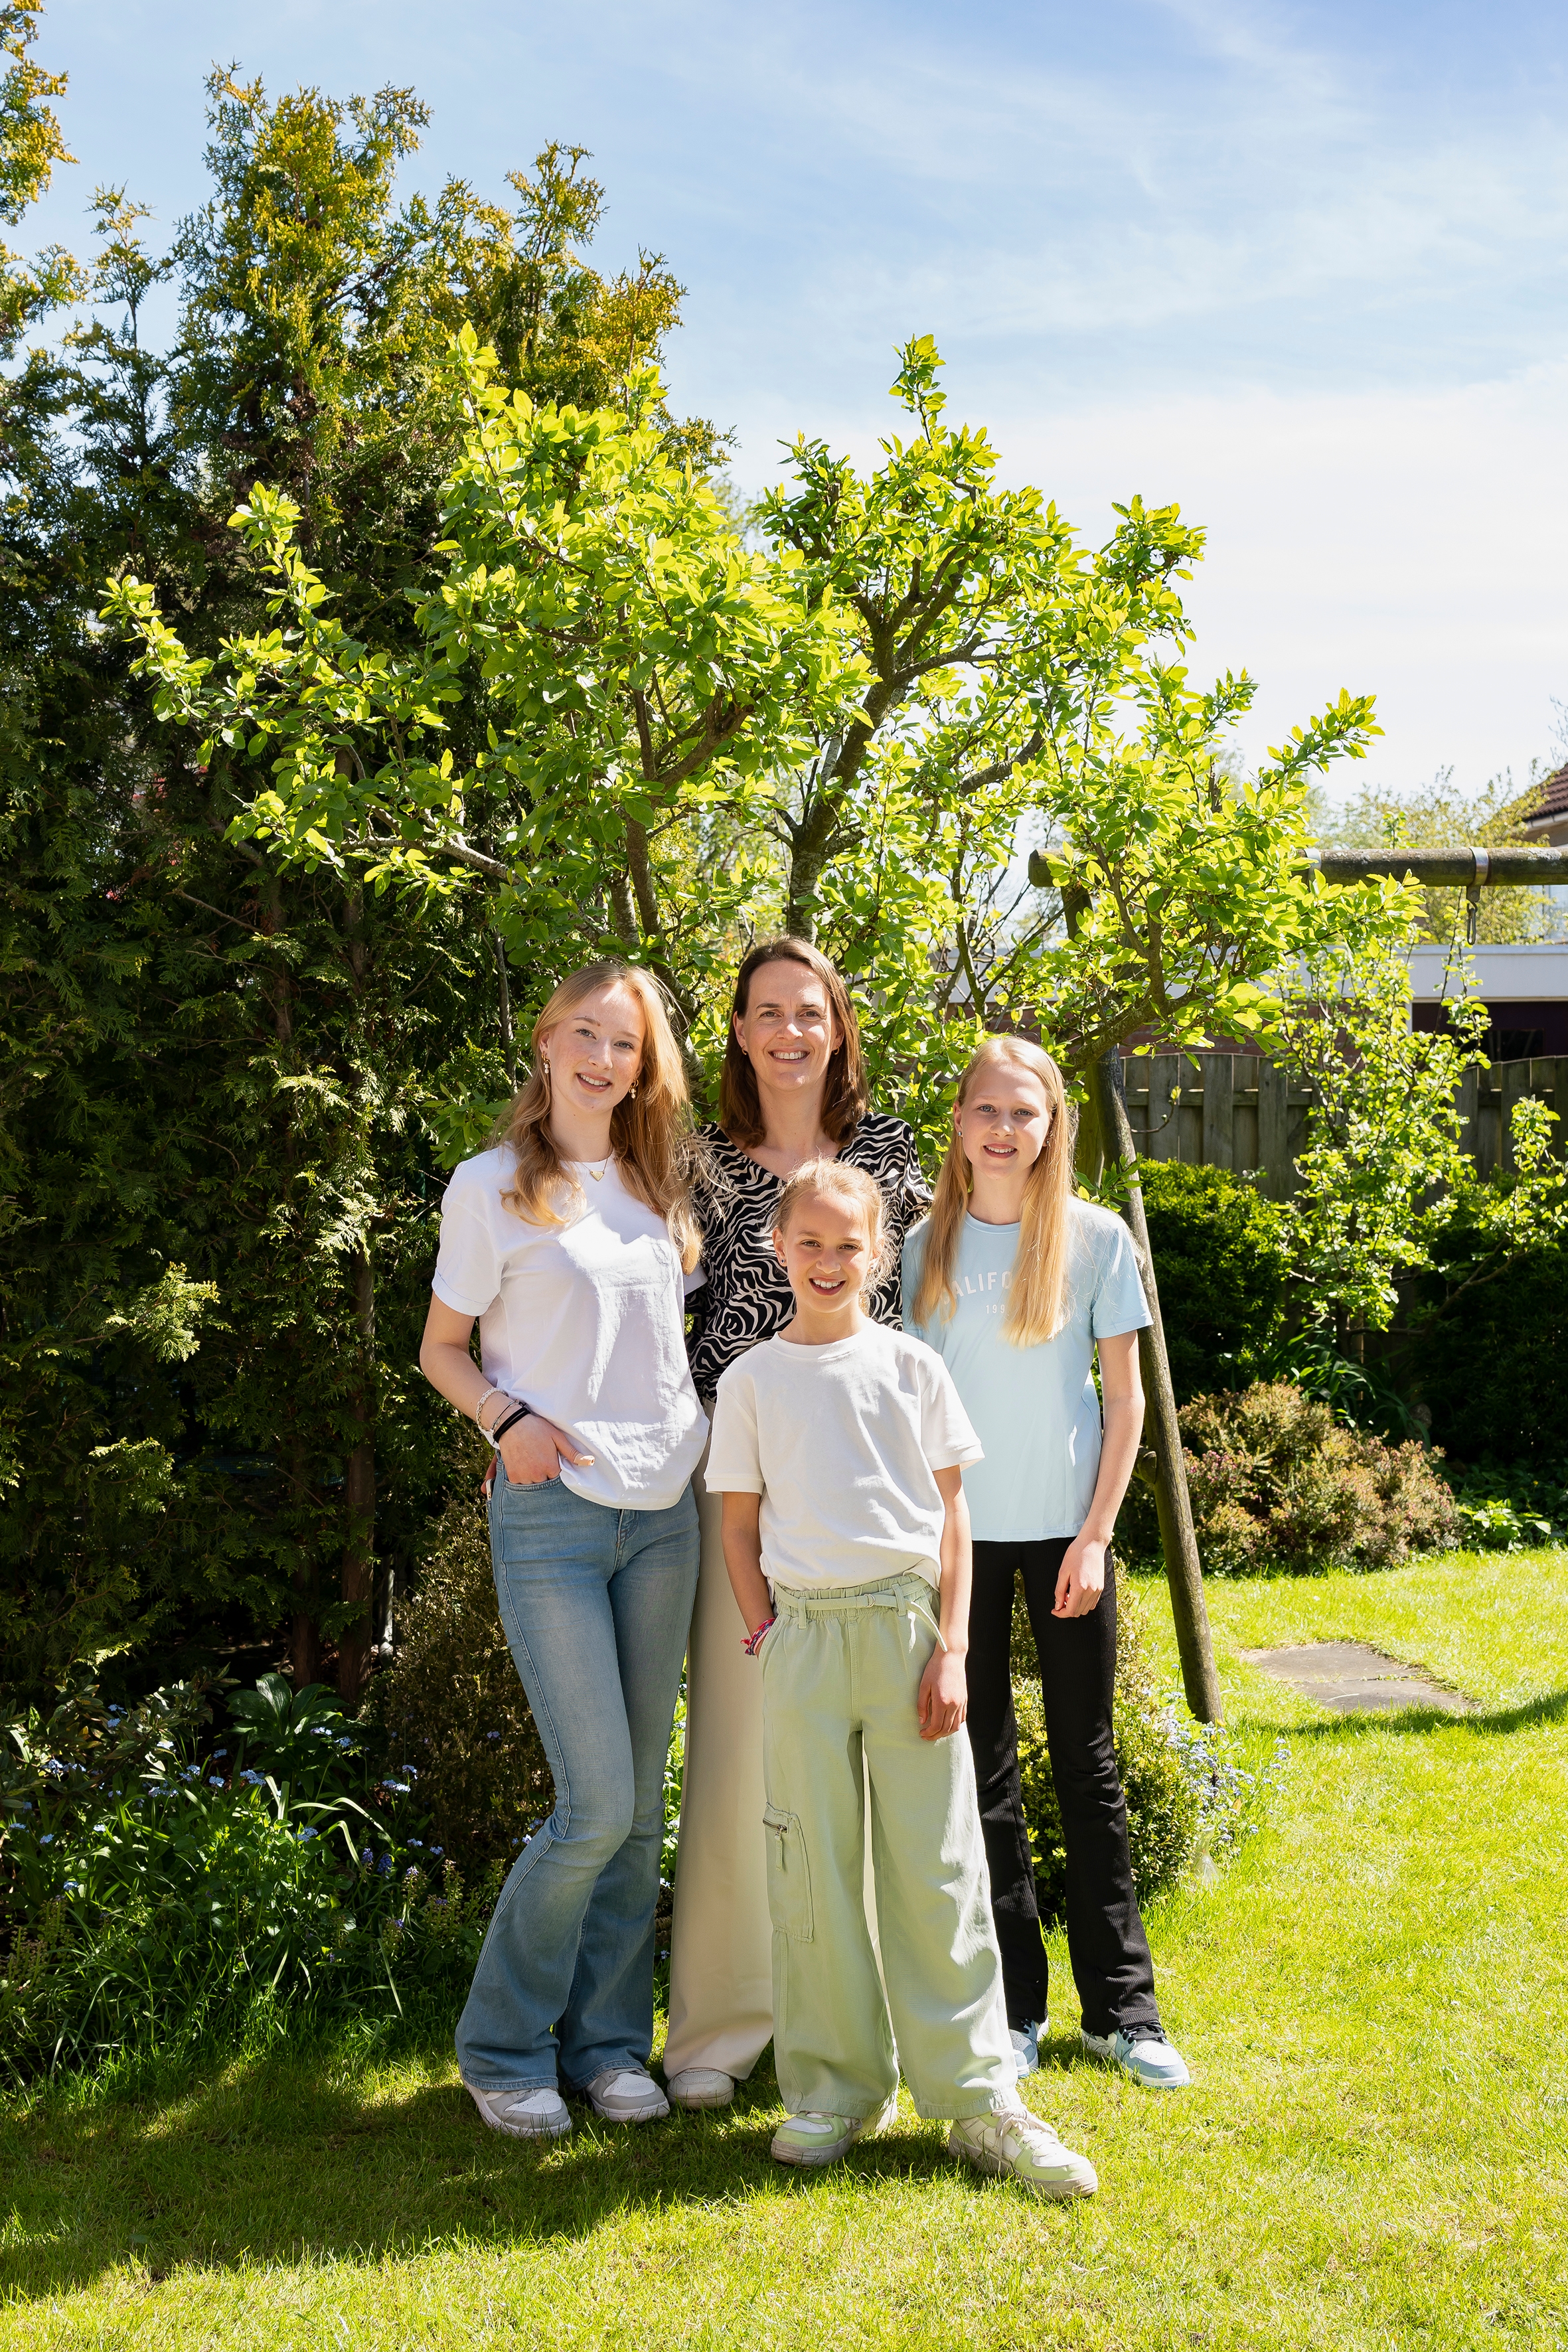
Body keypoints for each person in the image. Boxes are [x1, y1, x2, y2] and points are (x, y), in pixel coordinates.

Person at [704, 1157, 1099, 2195]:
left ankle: (978, 2098)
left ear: (880, 1256)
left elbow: (954, 1519)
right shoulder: (749, 1382)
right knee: (812, 1872)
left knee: (936, 1869)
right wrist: (764, 1637)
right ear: (775, 1248)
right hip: (802, 1643)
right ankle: (833, 2087)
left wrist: (954, 1647)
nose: (829, 1261)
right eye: (810, 1243)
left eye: (849, 1245)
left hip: (906, 1635)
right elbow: (737, 1526)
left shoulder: (913, 1369)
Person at [418, 958, 707, 2141]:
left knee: (640, 1809)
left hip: (666, 1514)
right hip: (552, 1518)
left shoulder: (656, 1182)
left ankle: (603, 2047)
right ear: (545, 1042)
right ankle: (500, 2049)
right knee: (592, 1805)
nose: (602, 1059)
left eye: (626, 1044)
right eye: (585, 1034)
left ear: (646, 1066)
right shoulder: (488, 1188)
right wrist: (507, 1421)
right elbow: (441, 1348)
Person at [663, 937, 929, 2113]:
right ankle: (719, 2031)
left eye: (808, 1011)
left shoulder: (886, 1153)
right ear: (736, 1029)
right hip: (741, 1473)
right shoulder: (695, 1160)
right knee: (736, 1751)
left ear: (838, 1026)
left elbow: (922, 1309)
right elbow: (645, 1312)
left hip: (862, 1488)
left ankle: (852, 2019)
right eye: (765, 1012)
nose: (787, 1032)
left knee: (861, 1761)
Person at [903, 1035, 1191, 2091]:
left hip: (1068, 1540)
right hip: (960, 1546)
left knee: (1087, 1767)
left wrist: (1097, 1534)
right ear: (960, 1120)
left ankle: (1123, 2012)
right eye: (987, 1109)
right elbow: (914, 1414)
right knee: (981, 1778)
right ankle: (1013, 2011)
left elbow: (1126, 1406)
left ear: (1050, 1124)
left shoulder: (1093, 1239)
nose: (1003, 1129)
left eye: (1024, 1113)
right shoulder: (924, 1246)